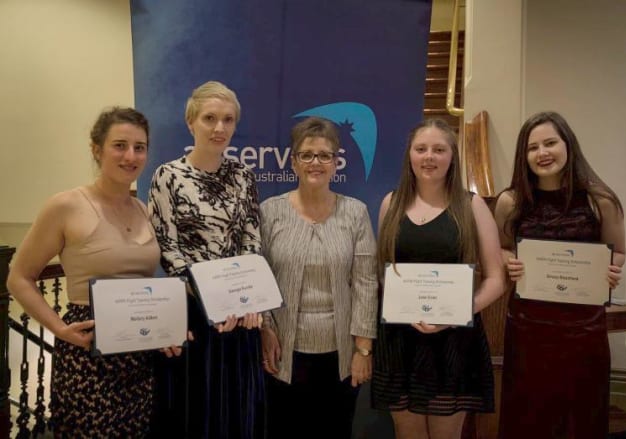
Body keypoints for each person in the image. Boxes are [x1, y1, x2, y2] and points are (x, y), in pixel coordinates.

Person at [7, 107, 162, 436]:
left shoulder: (144, 210)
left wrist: (167, 331)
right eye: (119, 145)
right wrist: (60, 330)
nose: (130, 155)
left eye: (140, 147)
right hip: (86, 356)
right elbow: (18, 278)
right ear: (97, 149)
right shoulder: (66, 206)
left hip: (139, 360)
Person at [494, 111, 625, 438]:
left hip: (582, 329)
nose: (542, 153)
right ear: (523, 156)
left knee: (581, 415)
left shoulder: (600, 200)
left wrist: (611, 269)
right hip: (528, 329)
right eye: (532, 147)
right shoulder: (510, 201)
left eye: (550, 143)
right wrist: (509, 261)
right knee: (528, 414)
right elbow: (502, 247)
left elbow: (619, 251)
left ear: (568, 145)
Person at [371, 118, 505, 439]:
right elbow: (383, 272)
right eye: (421, 149)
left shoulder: (471, 205)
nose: (429, 156)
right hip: (400, 339)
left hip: (453, 341)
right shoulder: (391, 203)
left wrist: (455, 314)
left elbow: (496, 278)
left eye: (439, 149)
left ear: (452, 157)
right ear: (410, 156)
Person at [148, 81, 264, 439]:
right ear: (190, 122)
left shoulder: (243, 176)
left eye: (228, 120)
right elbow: (168, 249)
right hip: (193, 314)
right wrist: (211, 301)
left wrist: (245, 298)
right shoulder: (167, 176)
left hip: (239, 314)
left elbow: (251, 238)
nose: (219, 128)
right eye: (210, 118)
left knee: (236, 409)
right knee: (194, 409)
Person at [259, 117, 378, 438]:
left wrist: (363, 351)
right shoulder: (269, 212)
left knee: (335, 431)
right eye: (307, 155)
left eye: (325, 155)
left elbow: (367, 283)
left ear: (336, 162)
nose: (316, 162)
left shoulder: (355, 213)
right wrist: (265, 331)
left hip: (340, 355)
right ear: (293, 162)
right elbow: (259, 281)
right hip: (282, 353)